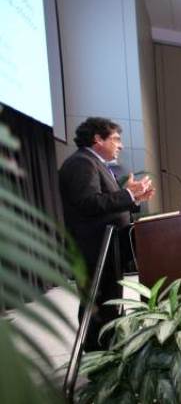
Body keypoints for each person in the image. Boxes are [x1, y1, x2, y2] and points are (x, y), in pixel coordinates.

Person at [59, 117, 155, 351]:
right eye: (116, 139)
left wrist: (133, 199)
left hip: (107, 249)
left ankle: (109, 351)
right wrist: (127, 195)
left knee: (109, 305)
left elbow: (106, 204)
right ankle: (96, 356)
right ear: (98, 139)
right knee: (97, 306)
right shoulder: (82, 163)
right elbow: (88, 203)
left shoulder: (96, 163)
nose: (120, 145)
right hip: (93, 251)